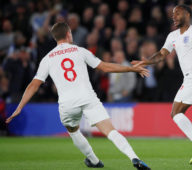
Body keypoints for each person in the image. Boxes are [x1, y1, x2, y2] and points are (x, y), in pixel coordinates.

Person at [5, 22, 151, 170]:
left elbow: (33, 85)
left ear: (56, 38)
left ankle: (93, 160)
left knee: (73, 131)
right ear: (68, 34)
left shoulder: (47, 59)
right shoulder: (80, 51)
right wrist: (130, 69)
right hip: (87, 97)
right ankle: (134, 157)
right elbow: (105, 67)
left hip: (67, 103)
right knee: (110, 130)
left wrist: (19, 107)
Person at [131, 5, 192, 169]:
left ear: (187, 14)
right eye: (173, 14)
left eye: (177, 13)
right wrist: (146, 61)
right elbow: (162, 54)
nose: (174, 16)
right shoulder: (172, 36)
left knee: (176, 112)